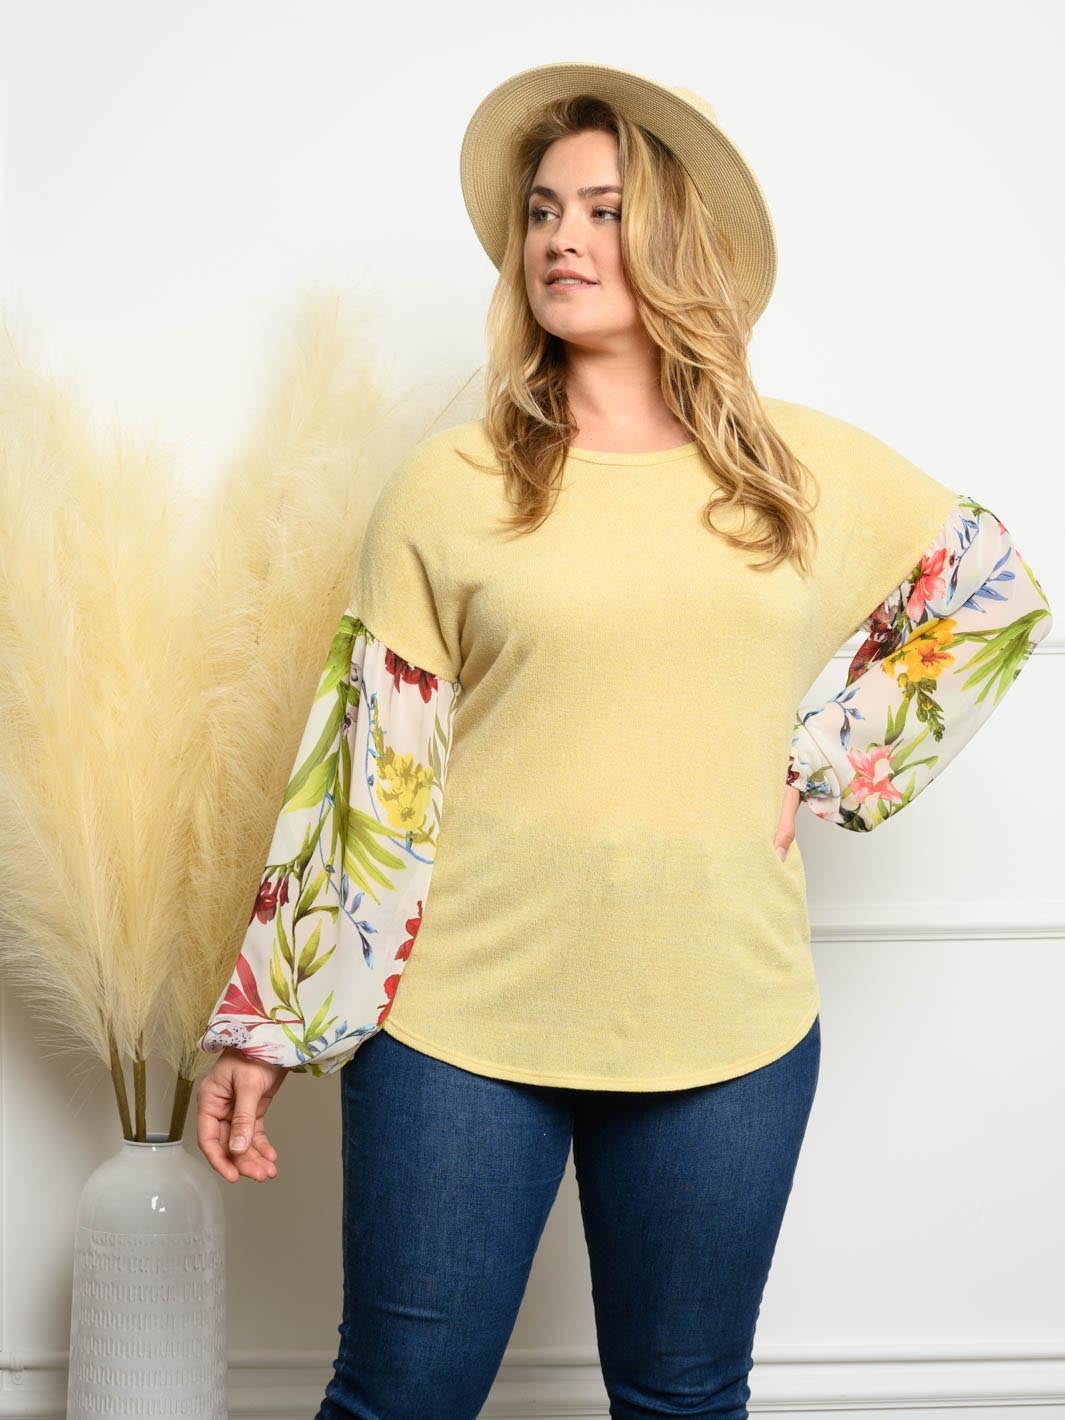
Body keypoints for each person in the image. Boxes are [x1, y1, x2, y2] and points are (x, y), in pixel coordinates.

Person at [194, 62, 1053, 1420]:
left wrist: (829, 761)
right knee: (402, 1397)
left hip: (726, 1025)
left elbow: (990, 590)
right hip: (458, 1030)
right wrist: (269, 1025)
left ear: (672, 239)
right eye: (543, 211)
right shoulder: (450, 485)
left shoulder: (798, 474)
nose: (561, 238)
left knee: (684, 1403)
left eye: (601, 209)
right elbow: (368, 767)